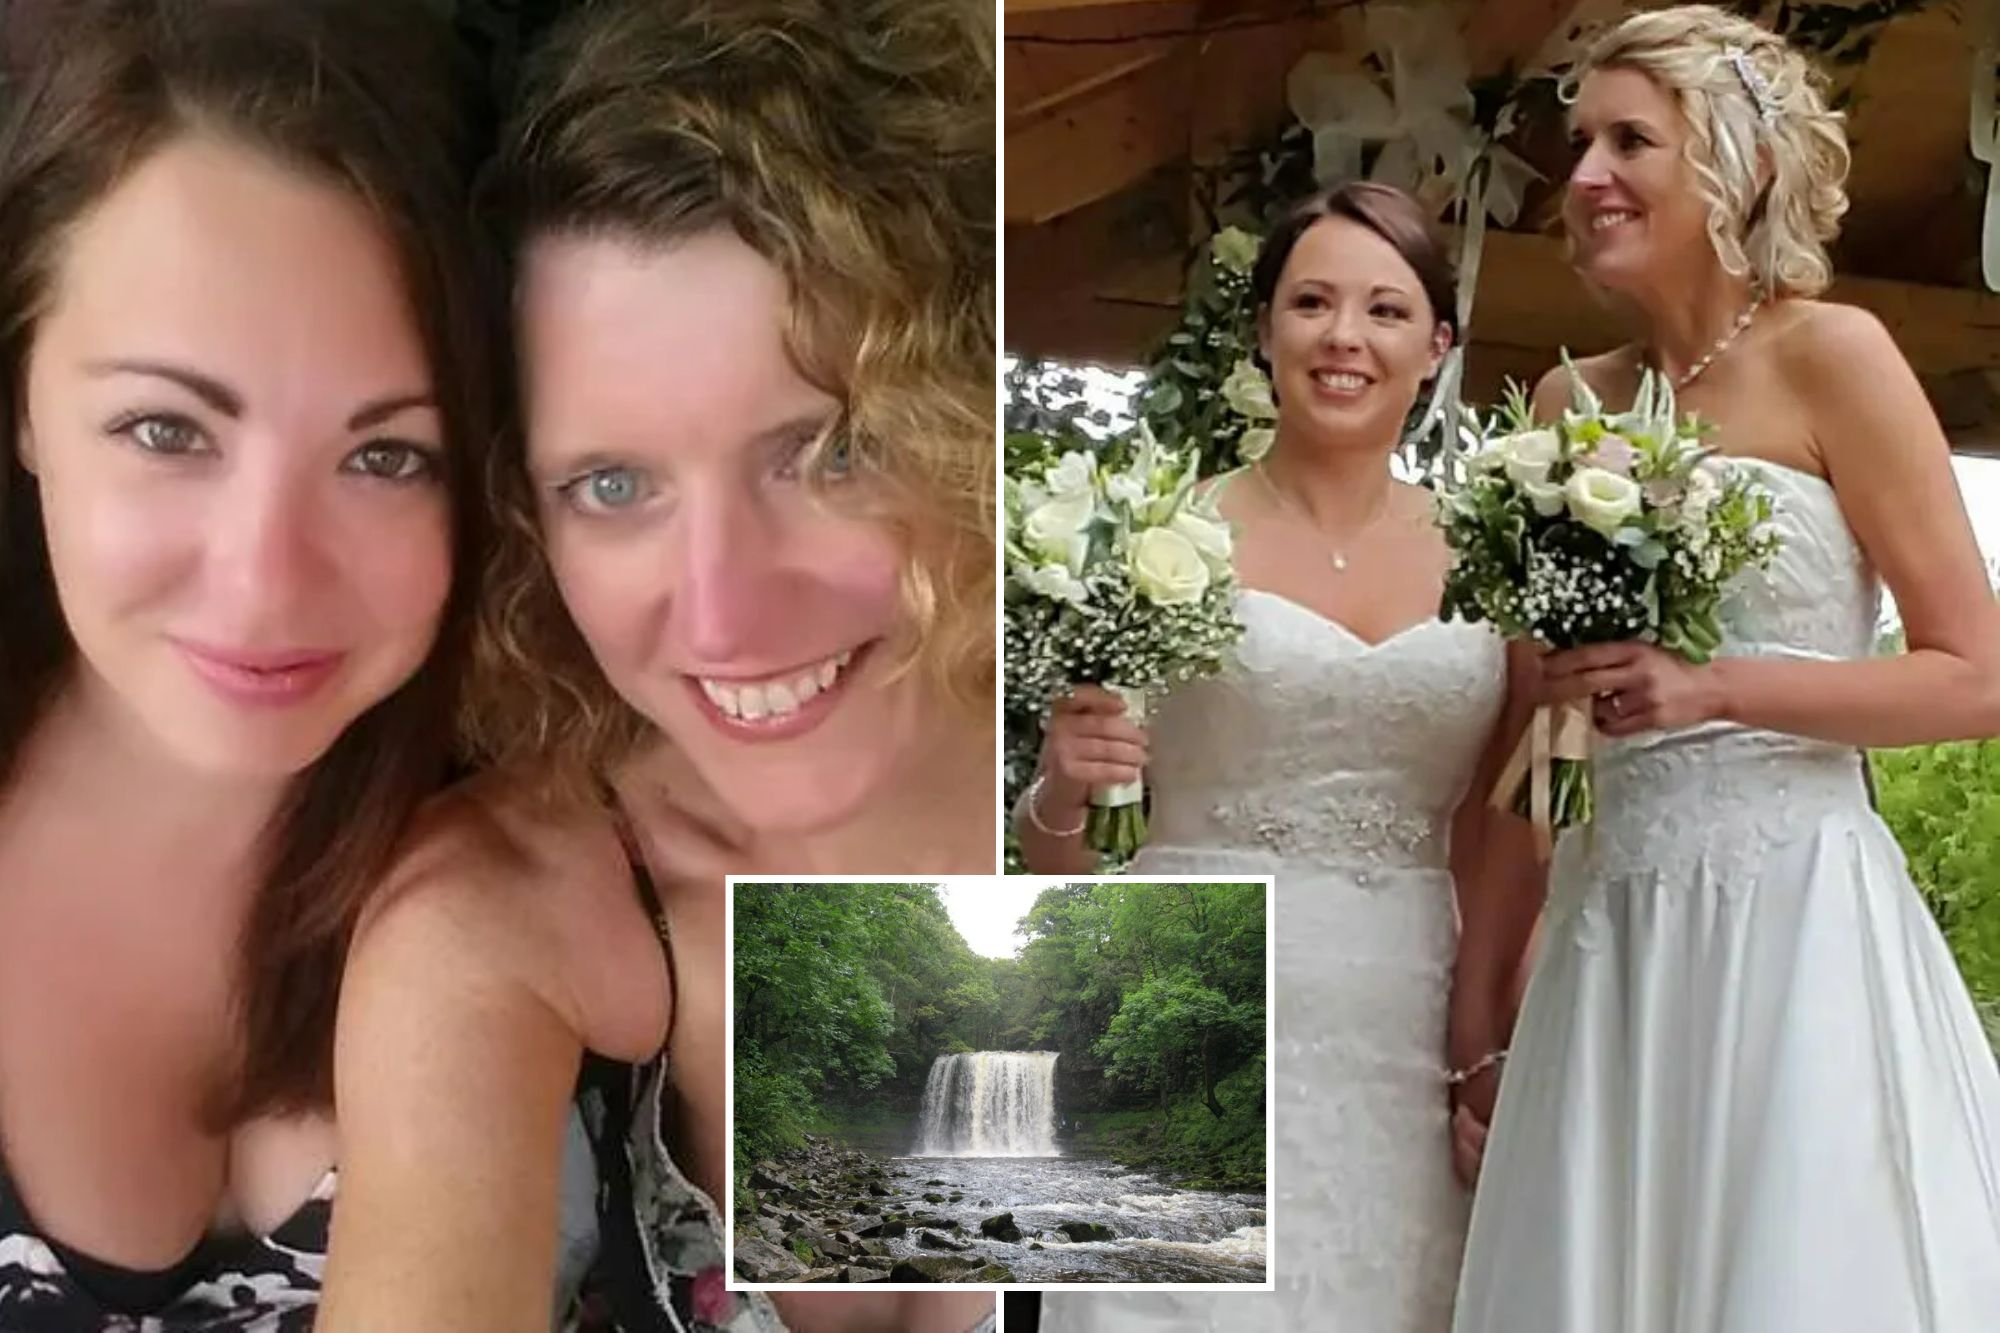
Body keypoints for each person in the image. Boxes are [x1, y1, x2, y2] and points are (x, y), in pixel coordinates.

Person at [318, 3, 997, 1331]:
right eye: (614, 483)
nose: (725, 608)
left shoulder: (1123, 811)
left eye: (827, 450)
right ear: (526, 514)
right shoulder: (498, 924)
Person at [1453, 7, 2000, 1330]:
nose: (1581, 177)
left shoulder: (1835, 356)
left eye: (1628, 140)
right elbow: (1546, 736)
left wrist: (1716, 690)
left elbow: (1975, 674)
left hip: (1794, 916)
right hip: (1608, 937)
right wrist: (1476, 1021)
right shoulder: (1561, 407)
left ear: (1742, 165)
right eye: (1579, 141)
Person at [0, 0, 496, 1325]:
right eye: (166, 430)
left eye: (388, 455)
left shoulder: (556, 844)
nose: (267, 580)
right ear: (23, 407)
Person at [1022, 181, 1542, 1331]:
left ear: (1435, 346)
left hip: (1406, 1025)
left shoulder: (1502, 562)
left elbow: (1518, 823)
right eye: (1310, 302)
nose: (1343, 337)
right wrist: (1064, 779)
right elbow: (1060, 852)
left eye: (1383, 310)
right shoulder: (1160, 534)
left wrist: (1493, 1038)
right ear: (1263, 331)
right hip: (1190, 996)